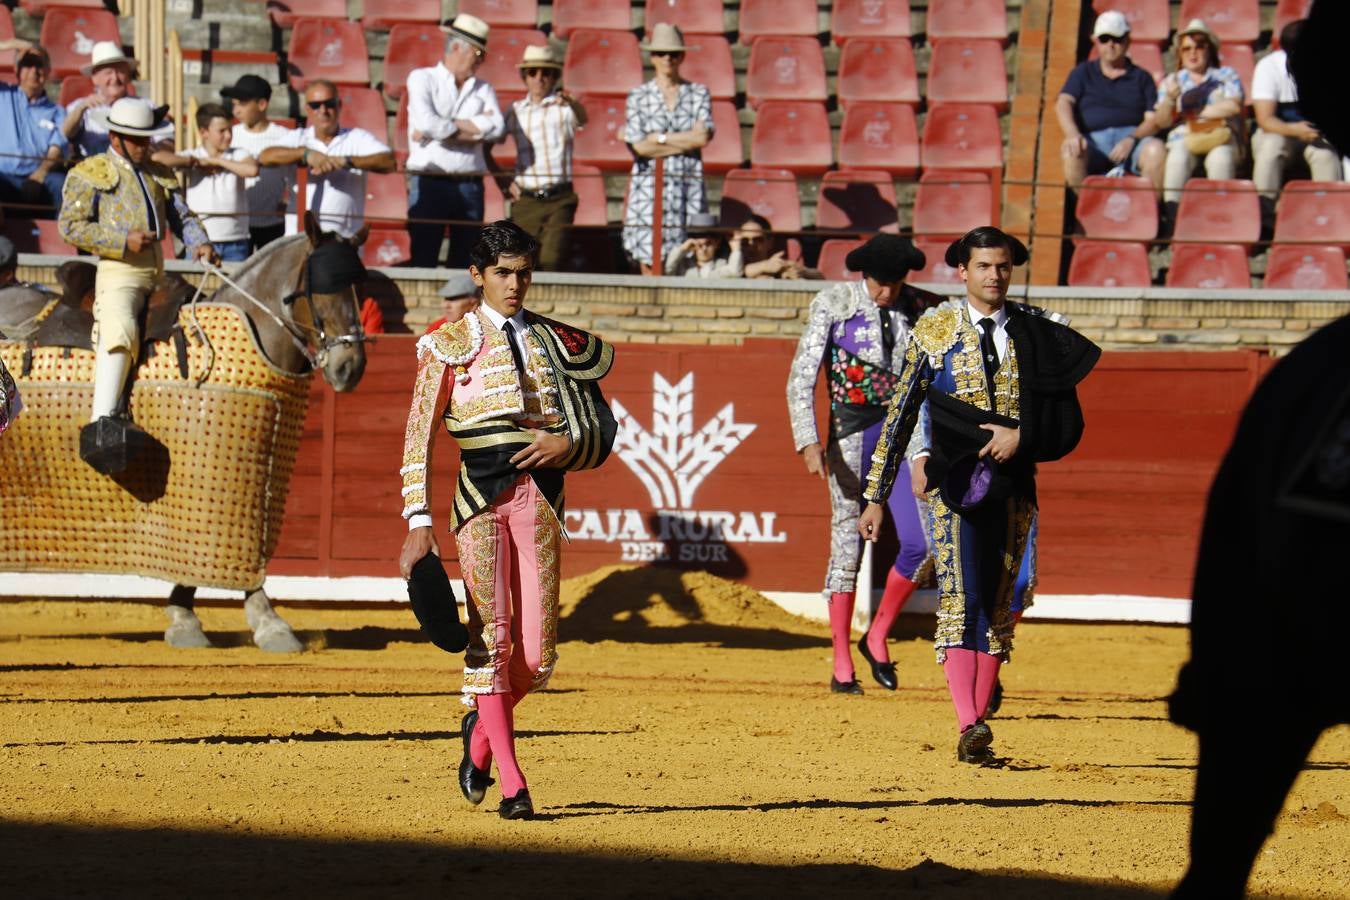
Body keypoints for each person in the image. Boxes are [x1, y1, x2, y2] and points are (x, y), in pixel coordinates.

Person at [397, 220, 615, 820]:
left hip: (540, 498)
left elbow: (603, 427)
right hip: (477, 499)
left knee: (538, 657)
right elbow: (418, 438)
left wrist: (565, 445)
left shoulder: (558, 341)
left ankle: (479, 735)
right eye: (502, 274)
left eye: (523, 273)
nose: (514, 285)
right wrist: (419, 521)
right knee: (491, 642)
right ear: (478, 276)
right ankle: (515, 785)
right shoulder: (448, 341)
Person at [857, 227, 1098, 762]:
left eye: (1003, 266)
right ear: (962, 272)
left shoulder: (1036, 333)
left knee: (999, 603)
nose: (995, 276)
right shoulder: (935, 330)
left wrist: (1022, 437)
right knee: (960, 599)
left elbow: (1067, 421)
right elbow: (899, 415)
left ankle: (977, 719)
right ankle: (969, 723)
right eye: (984, 267)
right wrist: (875, 496)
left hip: (1015, 485)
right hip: (952, 482)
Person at [787, 234, 941, 694]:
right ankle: (840, 660)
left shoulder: (926, 309)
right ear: (863, 275)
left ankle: (876, 635)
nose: (886, 292)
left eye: (895, 282)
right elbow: (802, 376)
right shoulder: (834, 302)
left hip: (905, 435)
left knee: (923, 543)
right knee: (846, 541)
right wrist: (808, 440)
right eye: (880, 282)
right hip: (851, 435)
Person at [57, 97, 217, 463]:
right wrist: (121, 239)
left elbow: (183, 217)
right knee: (120, 323)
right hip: (119, 271)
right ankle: (101, 420)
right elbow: (70, 226)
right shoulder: (90, 172)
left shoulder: (159, 173)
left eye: (147, 139)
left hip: (158, 272)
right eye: (137, 140)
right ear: (116, 139)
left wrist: (201, 242)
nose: (146, 146)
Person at [406, 14, 504, 268]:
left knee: (468, 263)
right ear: (458, 47)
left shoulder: (484, 88)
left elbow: (498, 128)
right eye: (478, 53)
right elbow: (428, 122)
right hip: (430, 180)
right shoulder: (422, 77)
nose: (481, 60)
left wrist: (443, 127)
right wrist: (474, 127)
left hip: (470, 184)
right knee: (423, 259)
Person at [622, 24, 714, 274]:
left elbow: (702, 138)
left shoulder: (698, 93)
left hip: (687, 183)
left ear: (682, 57)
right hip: (649, 185)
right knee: (648, 255)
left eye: (673, 54)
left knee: (689, 255)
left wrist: (659, 139)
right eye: (662, 53)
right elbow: (640, 146)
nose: (667, 59)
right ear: (652, 57)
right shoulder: (638, 95)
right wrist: (684, 139)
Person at [259, 80, 395, 239]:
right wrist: (306, 154)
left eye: (329, 103)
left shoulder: (356, 137)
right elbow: (265, 156)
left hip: (344, 240)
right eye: (316, 105)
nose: (323, 110)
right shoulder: (298, 137)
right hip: (299, 238)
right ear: (308, 109)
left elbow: (389, 162)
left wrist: (346, 161)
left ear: (339, 105)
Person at [1055, 10, 1165, 191]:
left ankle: (1151, 213)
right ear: (1096, 41)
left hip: (1133, 141)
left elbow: (1153, 119)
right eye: (1104, 39)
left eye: (1117, 39)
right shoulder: (1082, 72)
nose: (1111, 45)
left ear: (1128, 41)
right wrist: (1072, 133)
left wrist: (1132, 138)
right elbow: (1063, 102)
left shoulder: (1142, 77)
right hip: (1092, 142)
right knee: (1072, 151)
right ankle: (1085, 210)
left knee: (1156, 150)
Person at [501, 44, 586, 271]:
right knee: (521, 263)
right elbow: (487, 142)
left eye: (546, 72)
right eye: (533, 72)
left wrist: (572, 101)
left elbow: (584, 119)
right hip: (526, 199)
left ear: (554, 77)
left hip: (560, 196)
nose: (539, 78)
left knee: (551, 260)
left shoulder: (564, 108)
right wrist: (503, 179)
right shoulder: (514, 110)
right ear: (525, 77)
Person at [1153, 20, 1244, 205]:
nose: (1193, 53)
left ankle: (1220, 217)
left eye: (1199, 47)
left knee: (1222, 159)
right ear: (1179, 53)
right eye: (1186, 49)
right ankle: (1173, 217)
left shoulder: (1227, 75)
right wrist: (1170, 100)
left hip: (1220, 137)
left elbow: (1233, 107)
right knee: (1178, 159)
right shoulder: (1171, 81)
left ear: (1209, 49)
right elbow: (1162, 122)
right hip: (1183, 138)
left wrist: (1190, 112)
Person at [1250, 19, 1339, 207]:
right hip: (1277, 134)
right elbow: (1265, 120)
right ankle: (1264, 216)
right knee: (1272, 148)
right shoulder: (1268, 67)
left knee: (1325, 155)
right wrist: (1297, 130)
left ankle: (1329, 215)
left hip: (1314, 137)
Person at [159, 103, 259, 263]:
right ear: (204, 132)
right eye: (222, 131)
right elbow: (159, 159)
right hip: (200, 241)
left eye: (230, 130)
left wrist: (217, 162)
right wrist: (195, 162)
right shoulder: (194, 155)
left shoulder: (238, 153)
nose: (228, 136)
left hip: (236, 241)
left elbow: (252, 170)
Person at [222, 74, 297, 253]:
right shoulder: (229, 135)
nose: (236, 111)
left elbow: (295, 176)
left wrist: (289, 201)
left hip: (273, 224)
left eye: (242, 104)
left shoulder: (284, 137)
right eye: (234, 104)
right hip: (237, 225)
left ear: (262, 104)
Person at [62, 42, 169, 160]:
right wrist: (81, 109)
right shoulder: (80, 107)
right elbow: (66, 133)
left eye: (120, 71)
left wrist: (146, 149)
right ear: (95, 78)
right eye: (108, 73)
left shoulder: (146, 106)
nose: (115, 78)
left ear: (128, 75)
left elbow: (167, 143)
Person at [0, 43, 68, 218]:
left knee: (64, 185)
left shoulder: (58, 112)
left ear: (48, 71)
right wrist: (10, 44)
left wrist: (40, 174)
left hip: (39, 177)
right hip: (2, 175)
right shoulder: (3, 94)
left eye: (39, 65)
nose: (33, 70)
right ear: (16, 70)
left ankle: (63, 242)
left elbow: (57, 148)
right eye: (27, 64)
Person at [733, 215, 819, 280]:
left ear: (769, 242)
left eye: (758, 240)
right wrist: (764, 266)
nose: (751, 245)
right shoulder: (730, 264)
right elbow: (734, 272)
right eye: (744, 241)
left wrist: (802, 272)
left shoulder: (778, 264)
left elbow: (819, 276)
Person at [663, 212, 740, 278]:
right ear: (692, 246)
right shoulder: (683, 265)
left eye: (708, 244)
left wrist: (736, 249)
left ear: (717, 243)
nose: (704, 249)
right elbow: (668, 269)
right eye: (699, 245)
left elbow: (735, 273)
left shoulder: (722, 264)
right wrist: (682, 249)